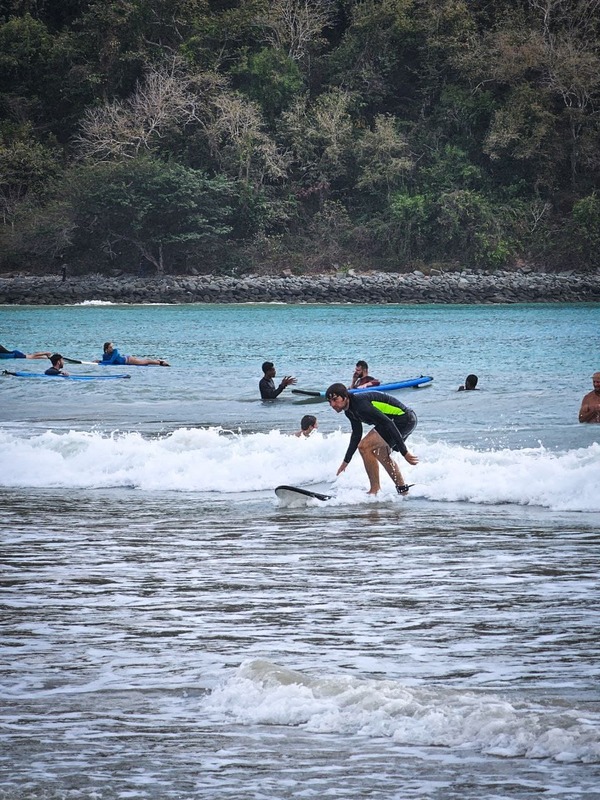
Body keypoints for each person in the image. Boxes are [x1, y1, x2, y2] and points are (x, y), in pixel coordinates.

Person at [326, 382, 419, 495]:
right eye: (329, 401)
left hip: (404, 419)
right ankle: (402, 490)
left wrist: (405, 452)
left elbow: (389, 423)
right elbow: (356, 435)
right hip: (400, 421)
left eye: (335, 399)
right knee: (380, 453)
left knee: (364, 447)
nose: (332, 404)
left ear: (345, 397)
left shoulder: (361, 405)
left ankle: (374, 490)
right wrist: (346, 461)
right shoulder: (349, 411)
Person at [96, 342, 169, 366]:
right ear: (106, 349)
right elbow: (106, 363)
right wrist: (99, 362)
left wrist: (99, 361)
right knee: (143, 362)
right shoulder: (104, 356)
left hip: (128, 360)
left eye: (112, 347)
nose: (112, 348)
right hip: (125, 361)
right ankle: (159, 361)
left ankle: (160, 362)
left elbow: (111, 362)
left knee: (144, 362)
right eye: (110, 347)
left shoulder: (115, 351)